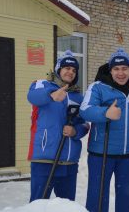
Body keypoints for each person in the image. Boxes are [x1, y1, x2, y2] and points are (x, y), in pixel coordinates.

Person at [80, 48, 129, 212]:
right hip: (101, 152)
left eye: (125, 68)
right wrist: (105, 113)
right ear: (110, 70)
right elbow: (85, 110)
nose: (121, 73)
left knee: (127, 196)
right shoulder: (97, 87)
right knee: (97, 194)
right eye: (116, 69)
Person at [27, 50, 89, 202]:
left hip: (69, 161)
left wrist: (75, 131)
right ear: (58, 69)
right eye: (67, 68)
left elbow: (85, 124)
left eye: (74, 70)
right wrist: (51, 95)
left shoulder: (78, 97)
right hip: (44, 158)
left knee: (66, 209)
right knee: (37, 205)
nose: (70, 72)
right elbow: (32, 96)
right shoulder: (42, 85)